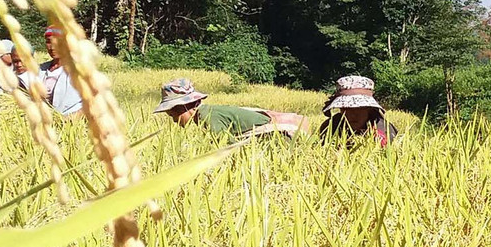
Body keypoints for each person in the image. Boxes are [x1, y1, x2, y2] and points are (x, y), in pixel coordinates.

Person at [154, 78, 305, 139]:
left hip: (282, 136)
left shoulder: (206, 116)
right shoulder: (207, 112)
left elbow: (226, 149)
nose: (174, 121)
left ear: (184, 107)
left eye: (173, 115)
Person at [318, 76, 393, 146]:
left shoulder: (383, 131)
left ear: (369, 109)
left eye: (359, 109)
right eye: (346, 109)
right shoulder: (331, 126)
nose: (352, 115)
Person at [39, 25, 84, 117]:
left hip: (71, 125)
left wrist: (69, 119)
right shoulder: (40, 70)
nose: (52, 47)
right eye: (48, 42)